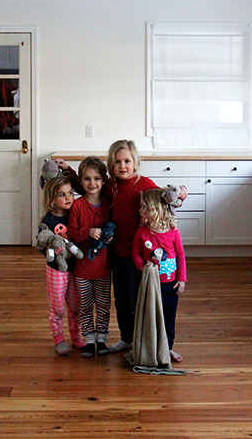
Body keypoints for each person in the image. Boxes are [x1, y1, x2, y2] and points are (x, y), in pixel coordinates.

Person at [103, 140, 158, 354]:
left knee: (138, 300)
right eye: (117, 162)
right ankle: (126, 338)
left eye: (127, 161)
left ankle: (142, 340)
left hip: (138, 255)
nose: (122, 166)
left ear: (135, 161)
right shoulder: (110, 187)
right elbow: (87, 186)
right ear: (111, 164)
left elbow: (163, 199)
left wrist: (180, 194)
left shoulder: (144, 184)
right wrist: (67, 172)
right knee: (121, 299)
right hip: (117, 253)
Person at [132, 188, 186, 363]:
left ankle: (167, 348)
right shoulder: (141, 233)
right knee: (151, 317)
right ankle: (151, 348)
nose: (140, 211)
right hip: (150, 284)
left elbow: (180, 255)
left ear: (156, 210)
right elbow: (136, 254)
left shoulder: (173, 231)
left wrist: (181, 279)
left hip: (170, 284)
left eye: (144, 208)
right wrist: (142, 267)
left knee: (168, 317)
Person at [67, 157, 113, 357]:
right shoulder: (77, 205)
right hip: (83, 268)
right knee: (85, 305)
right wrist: (88, 232)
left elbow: (113, 229)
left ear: (103, 180)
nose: (92, 183)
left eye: (96, 178)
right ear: (80, 180)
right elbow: (71, 233)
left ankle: (101, 339)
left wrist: (109, 237)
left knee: (103, 305)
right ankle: (89, 340)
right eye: (87, 179)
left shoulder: (108, 204)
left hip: (103, 267)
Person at [39, 176, 86, 355]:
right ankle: (58, 339)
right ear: (52, 198)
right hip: (56, 269)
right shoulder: (47, 222)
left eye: (70, 193)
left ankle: (76, 336)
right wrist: (50, 252)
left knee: (75, 305)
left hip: (75, 267)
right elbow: (40, 244)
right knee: (57, 306)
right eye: (62, 195)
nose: (68, 198)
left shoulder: (75, 214)